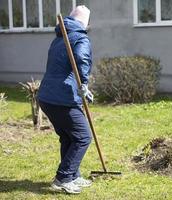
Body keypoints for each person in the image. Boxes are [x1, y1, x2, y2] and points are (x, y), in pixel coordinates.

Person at [38, 5, 93, 194]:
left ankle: (73, 175)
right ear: (85, 23)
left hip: (46, 97)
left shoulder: (58, 39)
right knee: (83, 137)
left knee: (68, 136)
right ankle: (63, 177)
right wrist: (84, 85)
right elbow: (82, 59)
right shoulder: (80, 38)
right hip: (63, 97)